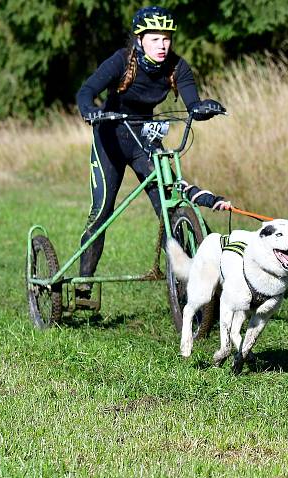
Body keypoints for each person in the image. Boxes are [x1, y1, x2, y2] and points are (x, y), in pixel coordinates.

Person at [75, 6, 229, 303]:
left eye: (167, 38)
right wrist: (91, 111)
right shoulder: (120, 61)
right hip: (110, 137)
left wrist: (202, 108)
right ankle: (84, 285)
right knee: (102, 211)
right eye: (155, 38)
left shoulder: (177, 66)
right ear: (140, 39)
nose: (163, 45)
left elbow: (191, 103)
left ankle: (192, 278)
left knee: (169, 206)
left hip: (143, 137)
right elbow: (86, 90)